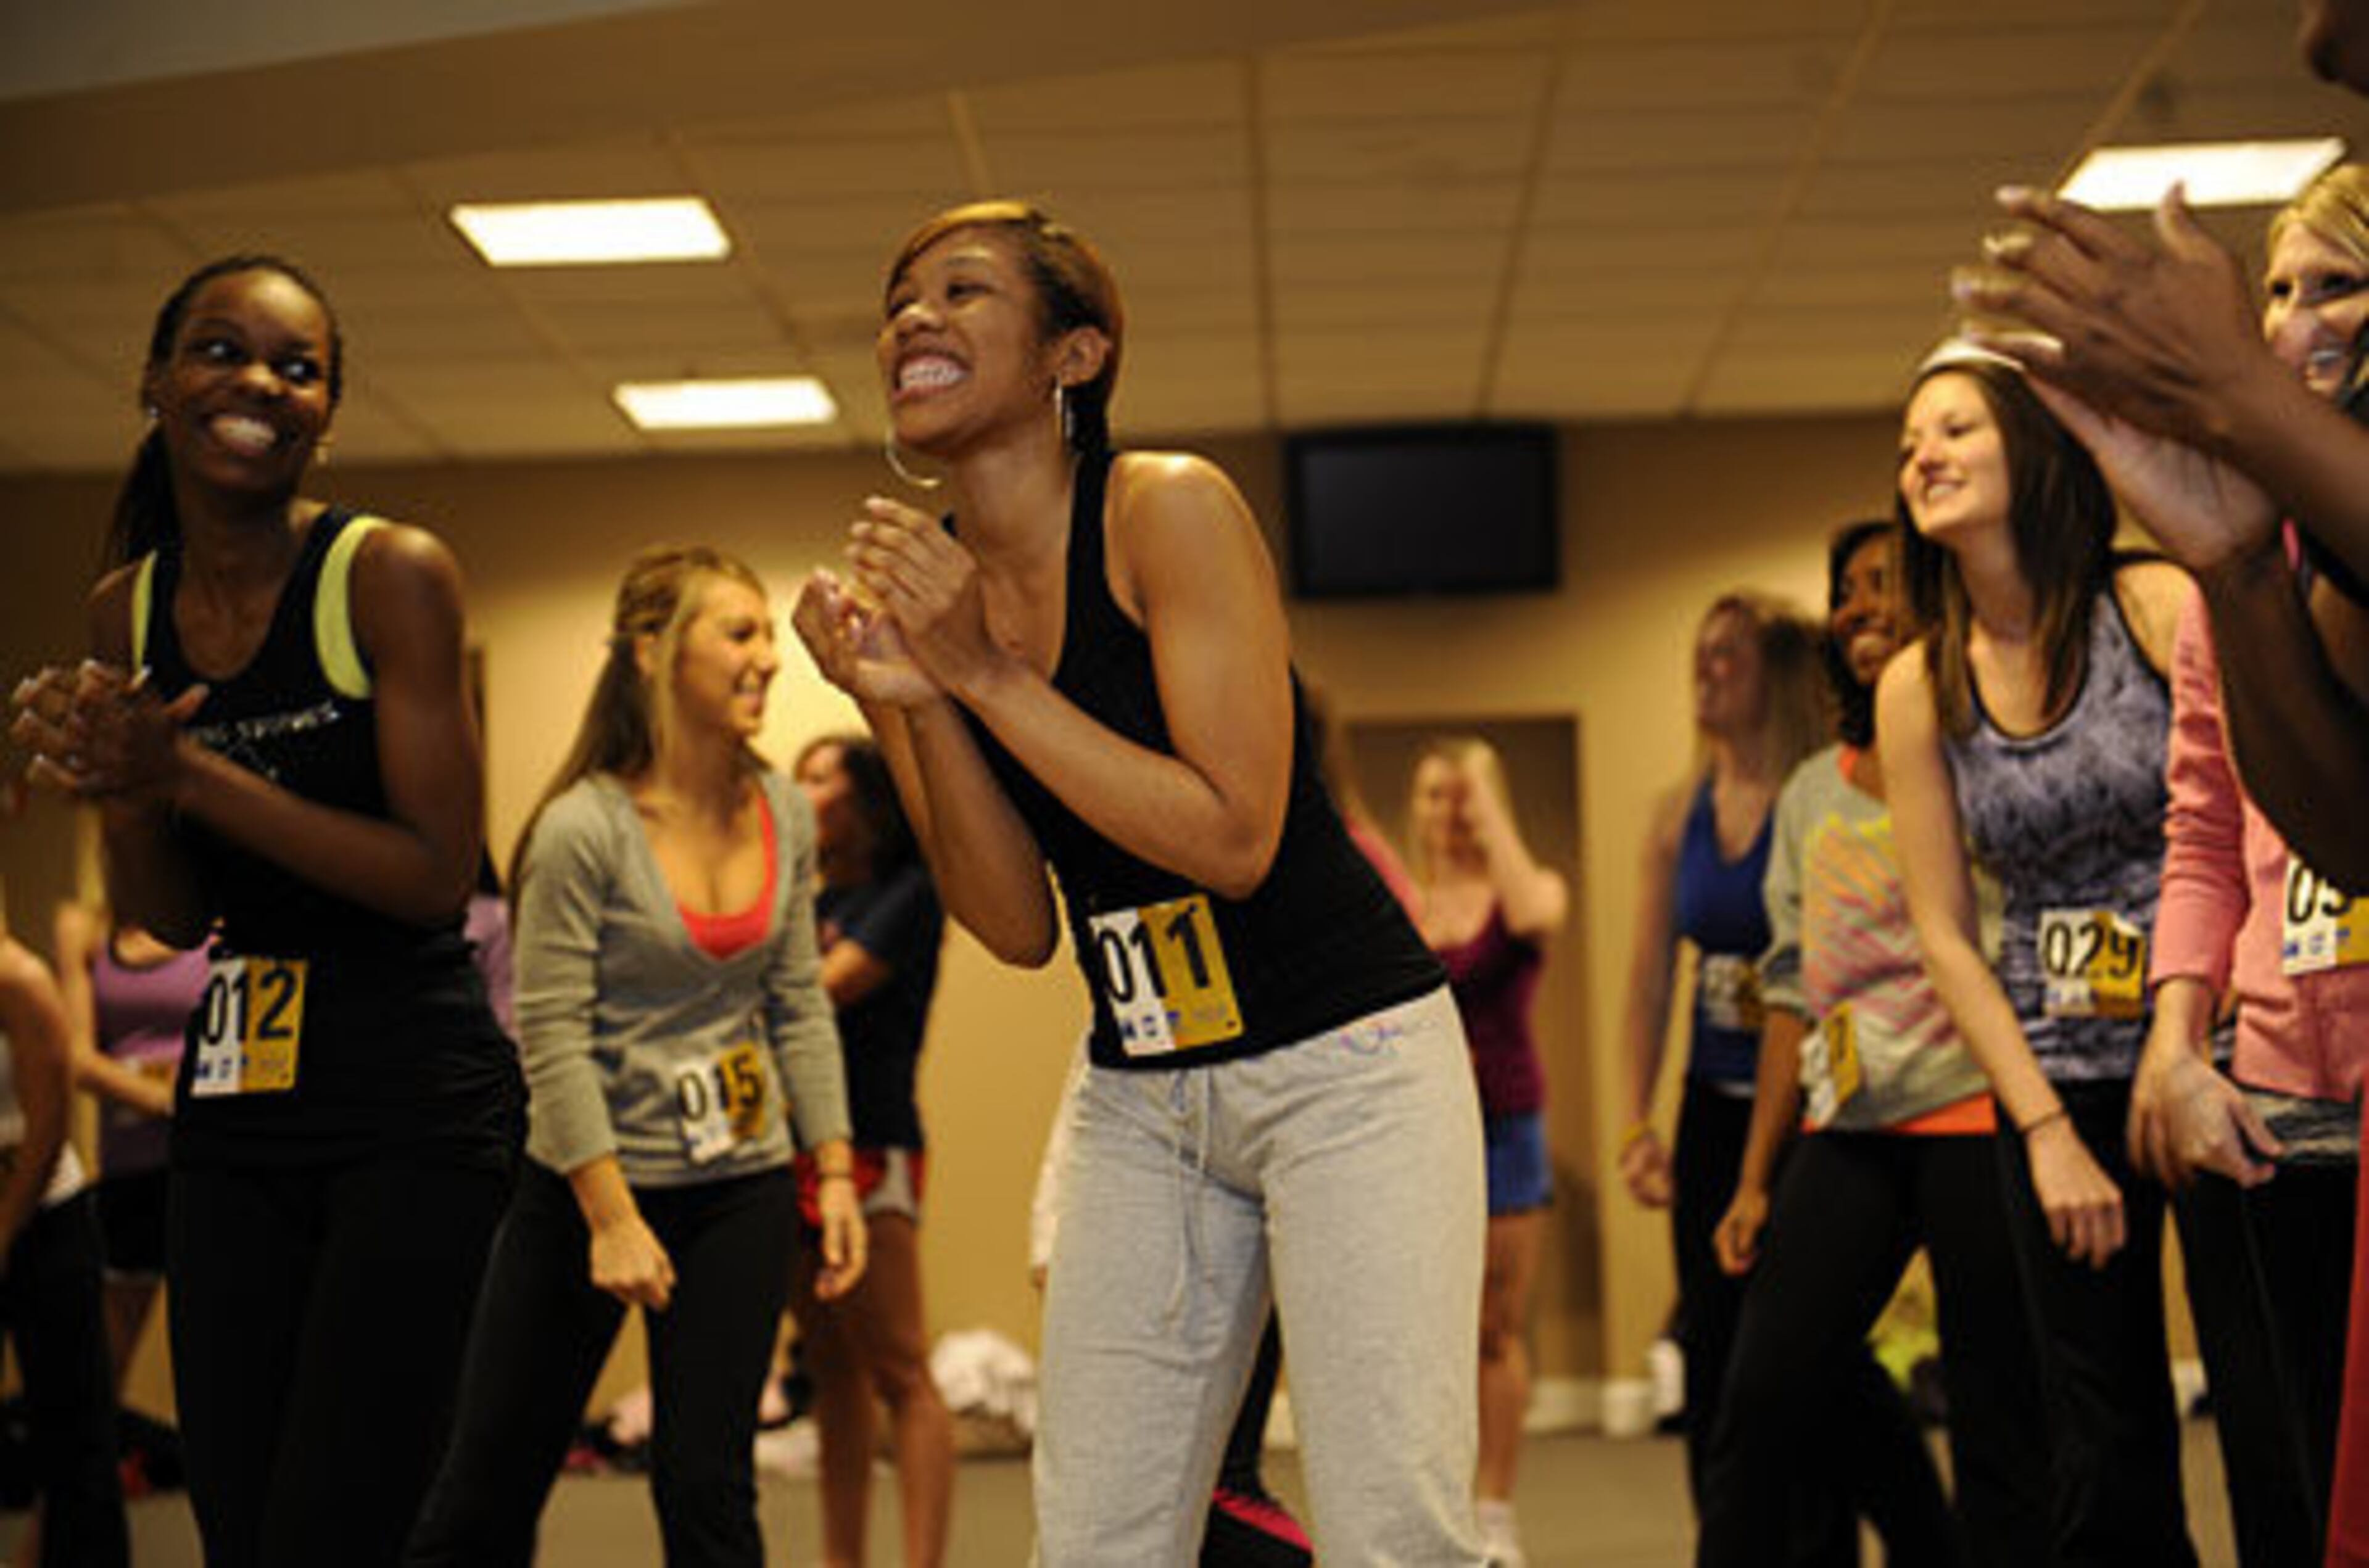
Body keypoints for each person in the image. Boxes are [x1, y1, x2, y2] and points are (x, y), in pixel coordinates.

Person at [794, 199, 1485, 1564]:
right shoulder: (948, 589)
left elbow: (1234, 834)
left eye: (964, 291)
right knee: (1098, 1537)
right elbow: (1011, 920)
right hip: (1145, 1091)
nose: (912, 318)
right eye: (898, 297)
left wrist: (980, 674)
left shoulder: (1166, 507)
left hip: (1349, 1065)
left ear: (1076, 354)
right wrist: (902, 700)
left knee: (1390, 1528)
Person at [9, 254, 524, 1568]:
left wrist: (185, 768)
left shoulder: (388, 572)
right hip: (238, 1093)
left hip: (413, 1093)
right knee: (241, 1522)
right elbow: (166, 920)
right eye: (222, 350)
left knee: (334, 1526)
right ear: (156, 380)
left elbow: (432, 870)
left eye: (299, 368)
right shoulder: (125, 607)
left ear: (328, 415)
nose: (258, 385)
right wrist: (125, 795)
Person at [2033, 163, 2369, 1567]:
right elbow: (2204, 828)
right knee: (2293, 1487)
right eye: (2278, 288)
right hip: (2281, 1089)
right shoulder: (2224, 566)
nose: (2293, 319)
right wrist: (2177, 1041)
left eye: (2332, 282)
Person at [406, 546, 862, 1568]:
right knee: (486, 1492)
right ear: (654, 651)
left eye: (765, 634)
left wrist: (830, 1169)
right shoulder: (582, 830)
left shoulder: (782, 808)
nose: (768, 657)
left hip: (737, 1182)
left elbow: (796, 999)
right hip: (583, 1185)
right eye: (739, 631)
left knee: (708, 1488)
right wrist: (610, 1216)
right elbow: (553, 1033)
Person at [1878, 346, 2194, 1565]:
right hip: (2055, 1071)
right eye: (1909, 443)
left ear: (2032, 450)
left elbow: (2226, 831)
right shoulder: (1923, 679)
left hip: (2207, 1046)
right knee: (2102, 1441)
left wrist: (2183, 1037)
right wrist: (2048, 1126)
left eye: (1954, 428)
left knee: (2271, 1378)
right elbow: (1946, 934)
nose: (1924, 455)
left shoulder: (2150, 604)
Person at [1697, 520, 2051, 1566]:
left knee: (2000, 1419)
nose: (1856, 607)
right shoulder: (1811, 791)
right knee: (1760, 1396)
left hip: (1980, 1113)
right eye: (1842, 591)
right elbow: (1792, 989)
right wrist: (1758, 1175)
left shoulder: (1990, 753)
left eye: (1881, 584)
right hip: (1849, 1123)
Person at [1614, 589, 1826, 1513]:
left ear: (1775, 674)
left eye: (1728, 655)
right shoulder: (1678, 814)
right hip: (1709, 1107)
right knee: (1711, 1341)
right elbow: (1650, 982)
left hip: (1811, 1112)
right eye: (1698, 654)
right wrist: (1635, 1121)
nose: (1705, 671)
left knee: (1800, 1352)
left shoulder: (1818, 800)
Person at [787, 731, 954, 1568]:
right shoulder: (808, 899)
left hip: (874, 1143)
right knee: (831, 1368)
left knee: (901, 1368)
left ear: (865, 798)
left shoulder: (909, 892)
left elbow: (818, 992)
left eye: (818, 776)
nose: (799, 788)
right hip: (795, 1145)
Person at [1407, 737, 1567, 1568]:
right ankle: (1439, 1502)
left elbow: (1540, 914)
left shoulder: (1522, 894)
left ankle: (1495, 1507)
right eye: (1436, 796)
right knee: (1430, 1330)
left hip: (1506, 1126)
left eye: (1464, 795)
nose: (1451, 812)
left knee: (1494, 1327)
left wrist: (1490, 805)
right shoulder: (1404, 901)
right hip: (1423, 1132)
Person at [0, 902, 130, 1568]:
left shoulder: (20, 979)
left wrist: (4, 1230)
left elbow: (48, 1130)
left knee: (76, 1441)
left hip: (45, 1217)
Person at [51, 896, 204, 1395]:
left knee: (220, 1339)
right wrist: (164, 1098)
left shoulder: (215, 919)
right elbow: (77, 1057)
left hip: (206, 1161)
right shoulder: (83, 925)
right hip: (130, 1166)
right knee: (102, 1359)